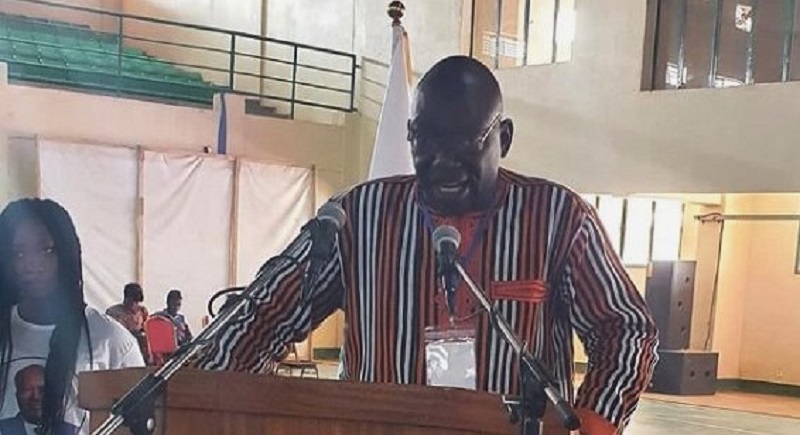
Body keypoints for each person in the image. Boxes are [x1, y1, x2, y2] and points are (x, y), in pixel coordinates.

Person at [193, 56, 658, 434]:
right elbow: (262, 316)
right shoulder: (357, 216)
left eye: (463, 145)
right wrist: (201, 399)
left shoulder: (558, 218)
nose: (442, 163)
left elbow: (625, 330)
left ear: (504, 139)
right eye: (425, 143)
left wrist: (593, 424)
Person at [0, 199, 145, 435]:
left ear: (67, 254)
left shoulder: (111, 341)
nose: (30, 264)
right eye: (18, 253)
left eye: (46, 250)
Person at [0, 364, 78, 435]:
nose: (36, 397)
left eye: (42, 390)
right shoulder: (2, 429)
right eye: (27, 389)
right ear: (17, 396)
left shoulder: (73, 432)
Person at [106, 283, 149, 358]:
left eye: (137, 302)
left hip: (139, 348)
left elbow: (148, 331)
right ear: (126, 298)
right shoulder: (114, 312)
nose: (134, 305)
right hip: (120, 347)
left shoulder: (142, 311)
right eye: (131, 301)